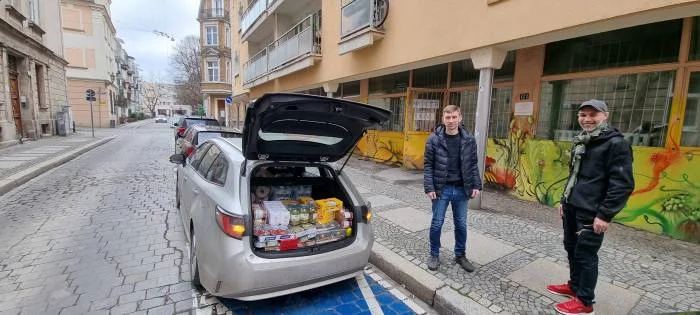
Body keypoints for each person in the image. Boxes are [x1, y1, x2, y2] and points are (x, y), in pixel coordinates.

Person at [547, 99, 634, 315]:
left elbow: (622, 184)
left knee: (586, 255)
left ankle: (585, 302)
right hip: (573, 206)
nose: (586, 119)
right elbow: (574, 175)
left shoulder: (616, 144)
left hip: (592, 211)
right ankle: (574, 287)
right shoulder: (583, 140)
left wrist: (604, 215)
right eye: (582, 115)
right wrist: (564, 200)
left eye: (592, 115)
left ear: (605, 115)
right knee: (571, 248)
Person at [423, 105, 482, 272]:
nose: (451, 121)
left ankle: (460, 255)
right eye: (447, 117)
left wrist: (476, 185)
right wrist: (429, 187)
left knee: (461, 225)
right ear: (443, 119)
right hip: (442, 189)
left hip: (462, 189)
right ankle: (434, 254)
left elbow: (472, 164)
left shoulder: (469, 139)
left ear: (460, 118)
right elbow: (428, 165)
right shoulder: (434, 139)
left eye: (454, 117)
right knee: (436, 224)